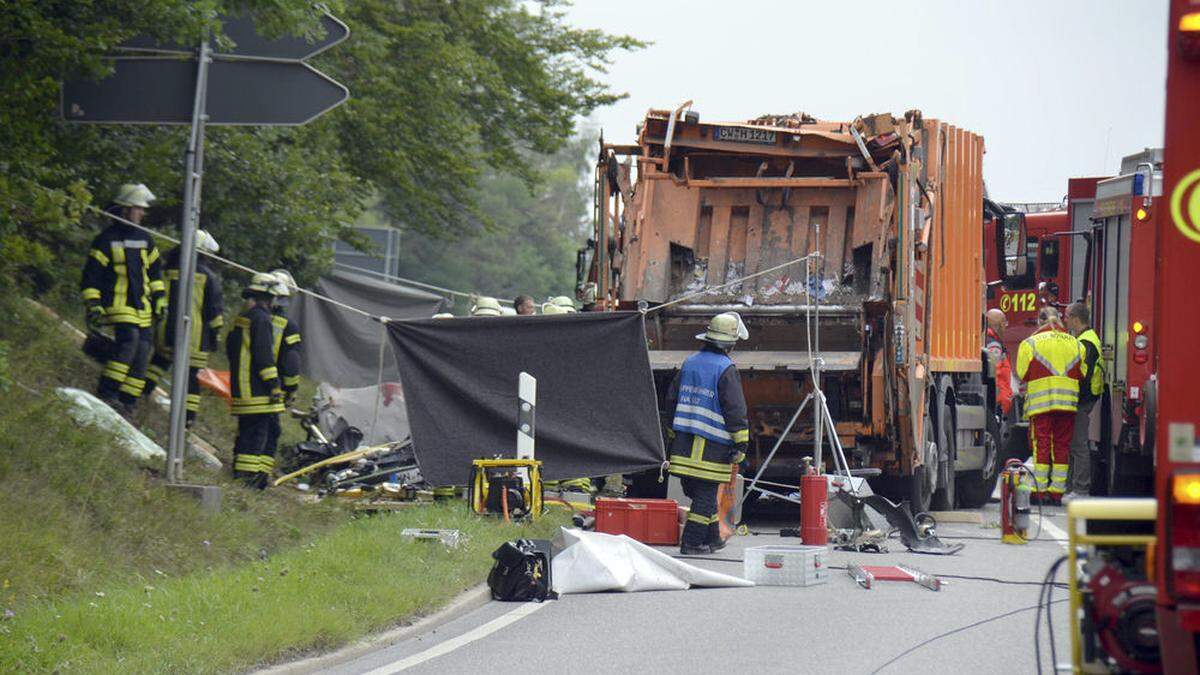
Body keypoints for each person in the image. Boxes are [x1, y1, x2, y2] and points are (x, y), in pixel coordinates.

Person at [665, 312, 750, 554]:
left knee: (700, 492)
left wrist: (672, 432)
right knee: (705, 496)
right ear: (730, 343)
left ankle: (712, 539)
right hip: (713, 448)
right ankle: (691, 543)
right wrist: (741, 443)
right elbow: (735, 408)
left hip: (684, 443)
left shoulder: (689, 363)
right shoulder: (726, 368)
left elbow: (671, 399)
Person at [80, 183, 164, 415]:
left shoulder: (145, 239)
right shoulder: (105, 239)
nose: (142, 213)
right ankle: (107, 392)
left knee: (143, 350)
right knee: (130, 342)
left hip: (143, 306)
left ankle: (128, 401)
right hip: (116, 303)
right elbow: (91, 277)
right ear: (125, 209)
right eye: (138, 208)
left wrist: (159, 298)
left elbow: (155, 272)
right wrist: (93, 304)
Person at [143, 230, 224, 426]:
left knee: (158, 362)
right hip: (194, 336)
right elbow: (213, 310)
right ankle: (187, 420)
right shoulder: (208, 276)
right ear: (203, 251)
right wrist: (215, 335)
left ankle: (142, 391)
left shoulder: (169, 268)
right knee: (192, 378)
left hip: (165, 329)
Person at [1016, 307, 1085, 502]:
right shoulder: (1076, 343)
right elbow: (1083, 372)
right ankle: (1057, 491)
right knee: (1062, 445)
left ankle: (1039, 490)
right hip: (1068, 404)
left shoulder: (1030, 343)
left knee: (1042, 444)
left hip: (1041, 404)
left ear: (1040, 321)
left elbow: (1022, 373)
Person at [226, 273, 288, 488]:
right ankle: (248, 482)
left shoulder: (246, 316)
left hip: (242, 387)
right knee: (256, 436)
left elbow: (230, 347)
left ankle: (242, 476)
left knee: (247, 433)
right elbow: (264, 356)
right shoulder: (262, 319)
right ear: (269, 297)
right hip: (257, 390)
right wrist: (274, 385)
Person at [1065, 302, 1103, 500]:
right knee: (1075, 444)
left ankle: (1080, 490)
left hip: (1083, 399)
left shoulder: (1086, 342)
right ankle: (1074, 488)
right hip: (1084, 398)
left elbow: (1083, 374)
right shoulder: (1086, 338)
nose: (1065, 320)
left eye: (1067, 316)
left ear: (1075, 319)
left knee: (1079, 445)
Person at [267, 270, 304, 457]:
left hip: (245, 383)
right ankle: (256, 477)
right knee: (269, 433)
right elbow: (291, 362)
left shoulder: (249, 316)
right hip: (273, 387)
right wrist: (291, 389)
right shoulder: (288, 326)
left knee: (250, 430)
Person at [984, 309, 1014, 417]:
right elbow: (995, 375)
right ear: (1001, 324)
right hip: (997, 402)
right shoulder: (994, 345)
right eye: (1005, 323)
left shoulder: (988, 341)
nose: (1005, 327)